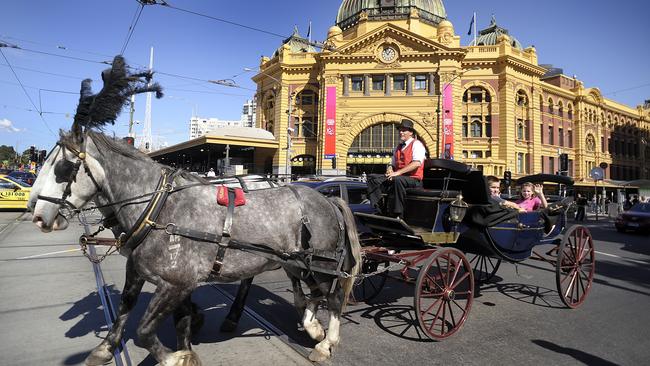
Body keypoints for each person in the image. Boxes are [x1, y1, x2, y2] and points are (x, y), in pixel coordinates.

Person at [367, 119, 425, 218]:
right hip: (399, 178)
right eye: (400, 130)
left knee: (398, 180)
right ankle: (379, 209)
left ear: (411, 132)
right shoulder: (397, 147)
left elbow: (416, 163)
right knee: (373, 178)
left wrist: (397, 173)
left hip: (414, 179)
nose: (401, 132)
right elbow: (392, 163)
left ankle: (398, 213)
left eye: (404, 130)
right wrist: (390, 169)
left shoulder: (417, 145)